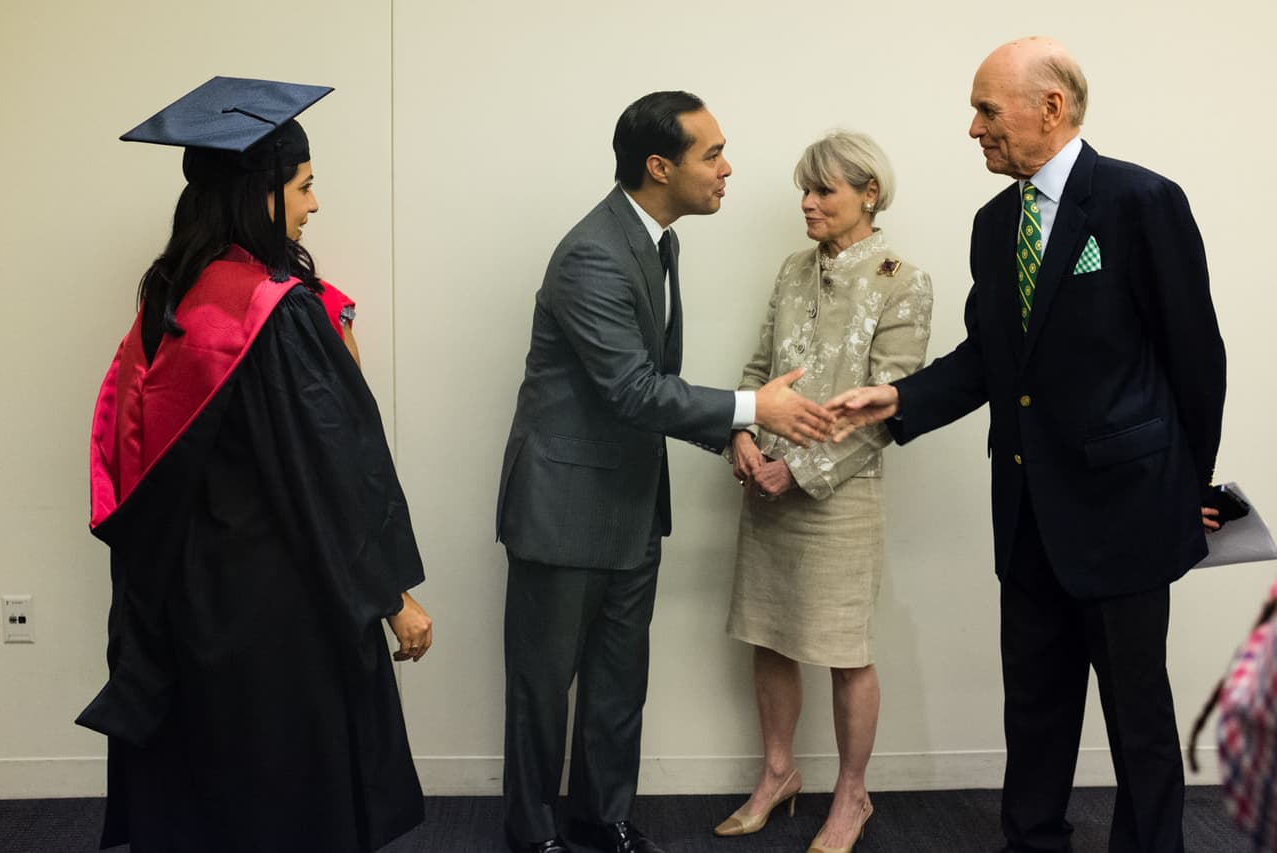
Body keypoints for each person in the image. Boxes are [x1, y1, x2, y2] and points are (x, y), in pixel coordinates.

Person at [828, 38, 1226, 853]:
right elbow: (989, 356)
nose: (973, 127)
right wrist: (898, 398)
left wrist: (1191, 490)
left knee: (1137, 718)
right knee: (1035, 710)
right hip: (1028, 512)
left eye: (985, 108)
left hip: (1127, 512)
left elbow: (1196, 358)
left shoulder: (1141, 201)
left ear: (1051, 107)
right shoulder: (995, 222)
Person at [79, 77, 433, 852]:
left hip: (189, 594)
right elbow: (329, 469)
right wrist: (390, 594)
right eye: (304, 186)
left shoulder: (171, 297)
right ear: (258, 193)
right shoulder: (274, 312)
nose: (313, 204)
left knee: (212, 785)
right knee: (288, 791)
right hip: (278, 609)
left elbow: (126, 445)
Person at [496, 91, 835, 853]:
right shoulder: (592, 253)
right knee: (542, 692)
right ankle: (531, 835)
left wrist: (728, 437)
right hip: (562, 507)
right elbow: (629, 388)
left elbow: (654, 383)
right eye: (711, 154)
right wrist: (754, 409)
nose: (727, 168)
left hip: (631, 507)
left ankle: (600, 817)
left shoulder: (658, 241)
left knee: (619, 683)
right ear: (659, 167)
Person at [716, 131, 932, 853]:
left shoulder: (904, 279)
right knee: (769, 634)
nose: (806, 203)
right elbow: (757, 362)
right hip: (764, 483)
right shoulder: (790, 269)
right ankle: (778, 772)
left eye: (824, 191)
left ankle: (852, 792)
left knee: (846, 648)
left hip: (840, 495)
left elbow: (888, 410)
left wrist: (801, 470)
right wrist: (741, 437)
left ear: (869, 193)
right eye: (803, 191)